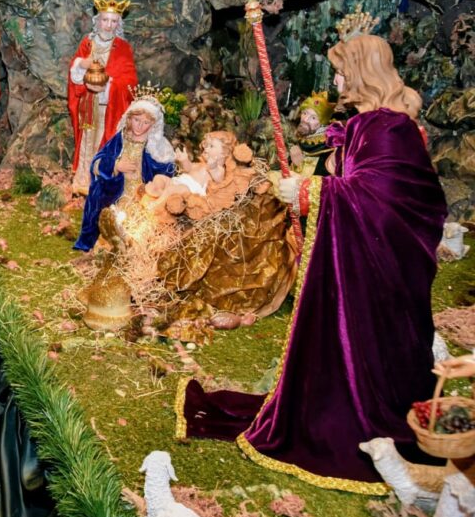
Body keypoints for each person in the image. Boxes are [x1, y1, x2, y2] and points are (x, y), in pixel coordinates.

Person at [178, 32, 449, 493]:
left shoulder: (386, 127)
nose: (337, 77)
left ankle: (352, 410)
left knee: (365, 342)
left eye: (343, 68)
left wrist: (310, 193)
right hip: (372, 258)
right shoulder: (372, 123)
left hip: (381, 267)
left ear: (364, 71)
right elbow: (365, 186)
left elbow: (383, 199)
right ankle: (336, 394)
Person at [74, 98, 176, 251]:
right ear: (129, 118)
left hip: (143, 196)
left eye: (146, 122)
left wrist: (154, 185)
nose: (140, 126)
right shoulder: (121, 138)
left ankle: (136, 245)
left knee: (143, 226)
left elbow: (167, 173)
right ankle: (107, 241)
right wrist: (115, 166)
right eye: (136, 120)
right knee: (103, 204)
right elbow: (97, 161)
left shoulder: (157, 146)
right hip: (117, 192)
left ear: (153, 125)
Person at [69, 0, 138, 195]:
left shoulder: (122, 47)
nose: (108, 25)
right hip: (88, 104)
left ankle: (101, 182)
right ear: (97, 20)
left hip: (109, 107)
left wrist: (108, 86)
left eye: (113, 21)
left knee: (104, 141)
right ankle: (83, 180)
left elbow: (130, 80)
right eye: (105, 20)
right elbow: (74, 75)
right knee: (86, 141)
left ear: (119, 23)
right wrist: (81, 65)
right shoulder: (87, 43)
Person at [289, 92, 334, 177]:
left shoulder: (328, 146)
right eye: (305, 113)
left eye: (313, 118)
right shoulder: (299, 134)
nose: (305, 119)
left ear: (323, 124)